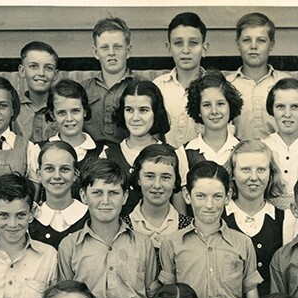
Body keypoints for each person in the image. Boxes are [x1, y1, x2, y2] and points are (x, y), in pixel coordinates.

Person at [159, 161, 262, 298]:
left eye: (217, 196)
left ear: (228, 196)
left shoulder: (242, 243)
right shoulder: (172, 243)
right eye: (201, 196)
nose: (209, 205)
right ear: (188, 196)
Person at [58, 158, 158, 298]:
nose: (105, 201)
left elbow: (152, 295)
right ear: (84, 196)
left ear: (125, 197)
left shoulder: (143, 244)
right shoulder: (69, 246)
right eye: (97, 193)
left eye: (113, 193)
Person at [224, 139, 290, 297]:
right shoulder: (220, 218)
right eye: (245, 169)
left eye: (261, 169)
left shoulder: (285, 219)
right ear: (232, 174)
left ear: (270, 174)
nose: (254, 177)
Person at [103, 79, 173, 214]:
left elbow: (179, 210)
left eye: (143, 110)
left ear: (155, 113)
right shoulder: (108, 155)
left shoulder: (173, 155)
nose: (135, 117)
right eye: (129, 110)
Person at [226, 12, 290, 141]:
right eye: (246, 40)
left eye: (261, 40)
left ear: (271, 45)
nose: (253, 46)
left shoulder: (285, 82)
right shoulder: (227, 84)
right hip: (238, 155)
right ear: (238, 44)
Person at [262, 78, 298, 211]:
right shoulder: (262, 148)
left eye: (295, 107)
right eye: (280, 107)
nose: (287, 114)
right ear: (271, 109)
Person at [154, 12, 210, 149]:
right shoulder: (159, 87)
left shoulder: (216, 88)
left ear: (204, 48)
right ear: (169, 48)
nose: (186, 50)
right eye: (178, 43)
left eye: (193, 43)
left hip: (203, 163)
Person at [124, 144, 192, 255]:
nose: (157, 185)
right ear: (138, 179)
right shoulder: (123, 227)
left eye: (165, 177)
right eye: (150, 176)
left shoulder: (189, 228)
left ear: (176, 181)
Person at [178, 69, 242, 184]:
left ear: (230, 106)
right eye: (206, 105)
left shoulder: (242, 150)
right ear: (198, 111)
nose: (214, 111)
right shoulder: (184, 153)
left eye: (220, 104)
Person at [81, 17, 135, 145]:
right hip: (91, 160)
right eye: (105, 47)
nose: (111, 53)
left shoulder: (142, 86)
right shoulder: (84, 89)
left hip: (130, 157)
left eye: (117, 47)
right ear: (95, 52)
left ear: (128, 51)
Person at [29, 140, 89, 248]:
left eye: (64, 169)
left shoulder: (90, 218)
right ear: (39, 174)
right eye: (49, 169)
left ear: (75, 174)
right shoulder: (30, 219)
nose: (57, 176)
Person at [45, 79, 105, 176]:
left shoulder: (101, 153)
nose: (69, 118)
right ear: (52, 115)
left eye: (75, 111)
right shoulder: (39, 150)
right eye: (61, 113)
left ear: (85, 111)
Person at [17, 41, 59, 144]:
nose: (41, 73)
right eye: (33, 66)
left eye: (48, 68)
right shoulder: (14, 108)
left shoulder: (62, 107)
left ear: (56, 75)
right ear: (22, 71)